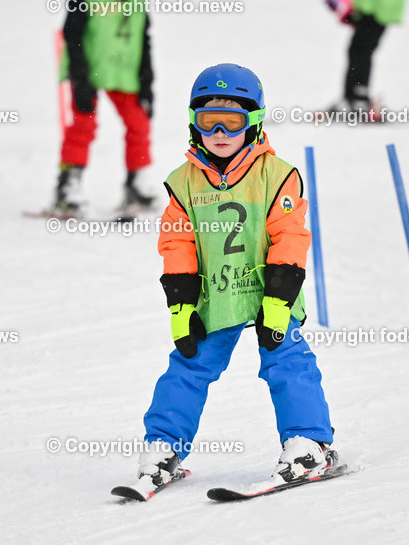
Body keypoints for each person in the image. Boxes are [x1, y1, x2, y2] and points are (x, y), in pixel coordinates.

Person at [130, 63, 339, 497]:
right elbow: (177, 244)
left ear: (255, 123)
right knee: (187, 366)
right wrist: (181, 306)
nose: (221, 131)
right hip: (215, 297)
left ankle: (308, 445)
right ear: (194, 124)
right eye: (209, 121)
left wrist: (279, 301)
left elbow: (290, 237)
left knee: (287, 363)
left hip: (270, 294)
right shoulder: (183, 184)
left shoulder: (276, 175)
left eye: (233, 121)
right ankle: (163, 448)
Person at [52, 0, 155, 216]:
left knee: (139, 124)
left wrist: (148, 78)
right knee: (84, 124)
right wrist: (80, 78)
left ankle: (137, 183)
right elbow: (72, 34)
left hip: (124, 71)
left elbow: (143, 37)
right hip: (88, 68)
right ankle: (68, 185)